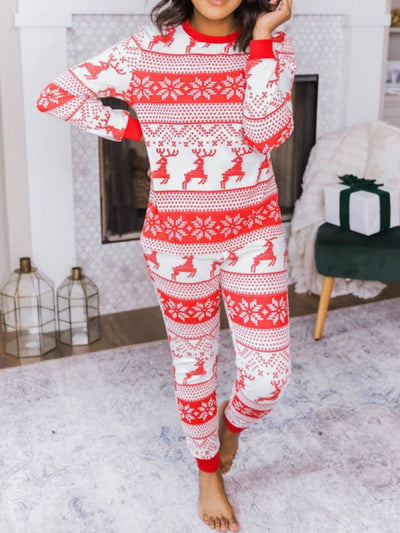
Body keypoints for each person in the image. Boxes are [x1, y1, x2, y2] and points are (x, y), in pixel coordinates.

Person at [37, 0, 294, 530]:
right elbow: (56, 95)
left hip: (255, 236)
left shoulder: (272, 47)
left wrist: (264, 37)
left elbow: (266, 134)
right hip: (177, 243)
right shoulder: (147, 49)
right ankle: (207, 474)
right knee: (194, 363)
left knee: (268, 377)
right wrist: (140, 130)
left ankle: (230, 428)